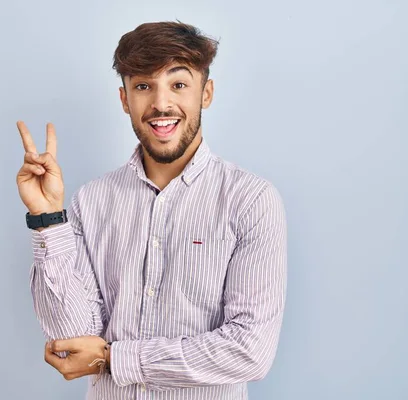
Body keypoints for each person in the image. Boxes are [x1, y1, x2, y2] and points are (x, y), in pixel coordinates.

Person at [16, 21, 288, 400]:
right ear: (125, 99)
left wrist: (116, 358)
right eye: (143, 86)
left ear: (205, 93)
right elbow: (74, 339)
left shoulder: (251, 201)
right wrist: (48, 221)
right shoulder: (90, 202)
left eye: (179, 84)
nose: (161, 103)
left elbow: (249, 349)